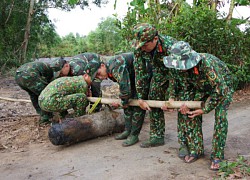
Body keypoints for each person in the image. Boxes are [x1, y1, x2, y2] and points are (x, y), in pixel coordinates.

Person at [163, 41, 234, 170]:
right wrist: (173, 101)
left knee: (220, 117)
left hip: (223, 87)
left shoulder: (207, 64)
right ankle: (196, 149)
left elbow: (220, 90)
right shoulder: (176, 66)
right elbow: (176, 84)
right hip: (200, 87)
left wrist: (204, 109)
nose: (181, 68)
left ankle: (217, 155)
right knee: (188, 112)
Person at [85, 52, 152, 146]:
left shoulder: (115, 66)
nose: (100, 77)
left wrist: (122, 102)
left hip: (144, 74)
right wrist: (123, 101)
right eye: (96, 77)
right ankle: (128, 130)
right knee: (127, 104)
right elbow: (124, 86)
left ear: (103, 65)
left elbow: (125, 90)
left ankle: (134, 135)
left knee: (137, 104)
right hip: (133, 78)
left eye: (99, 73)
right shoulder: (109, 71)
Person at [131, 23, 177, 148]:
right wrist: (140, 97)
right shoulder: (139, 48)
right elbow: (140, 72)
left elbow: (175, 73)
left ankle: (186, 143)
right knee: (153, 97)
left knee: (181, 104)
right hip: (159, 72)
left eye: (145, 45)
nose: (142, 48)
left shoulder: (170, 46)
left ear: (155, 39)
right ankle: (157, 136)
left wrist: (172, 96)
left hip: (179, 73)